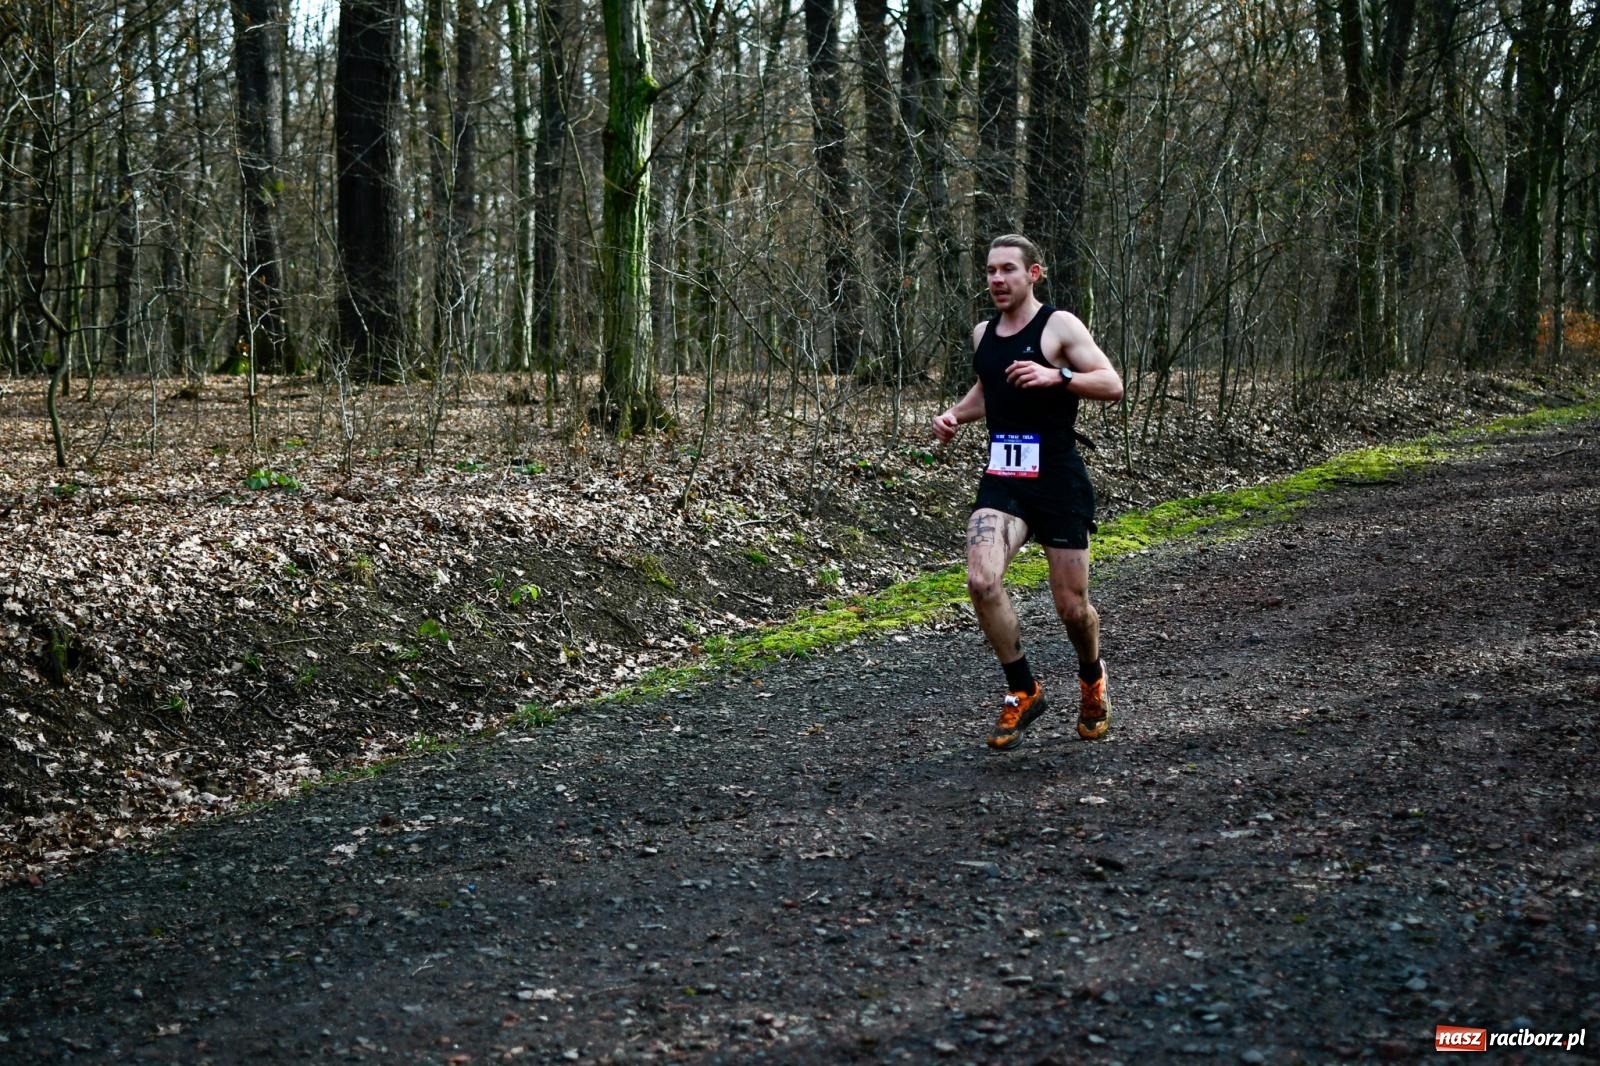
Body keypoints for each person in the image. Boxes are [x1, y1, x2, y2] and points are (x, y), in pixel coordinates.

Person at [932, 234, 1124, 751]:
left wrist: (1056, 375)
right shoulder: (982, 334)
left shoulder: (1059, 326)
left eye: (1008, 270)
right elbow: (989, 387)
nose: (996, 279)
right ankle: (1024, 689)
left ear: (1033, 274)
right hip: (1004, 477)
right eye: (991, 270)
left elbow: (1112, 383)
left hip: (1058, 477)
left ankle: (1091, 678)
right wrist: (956, 414)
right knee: (981, 579)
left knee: (1071, 607)